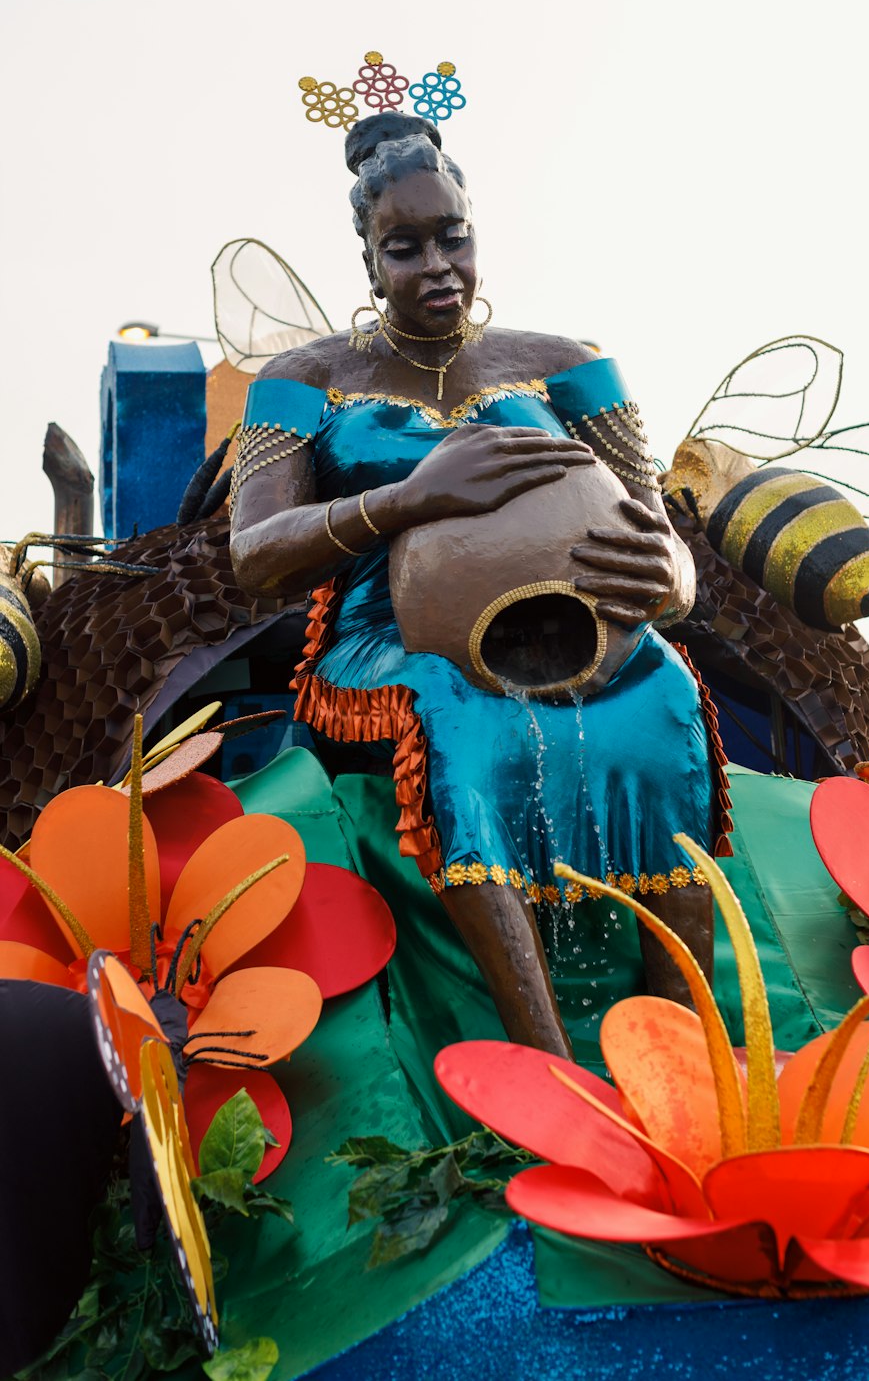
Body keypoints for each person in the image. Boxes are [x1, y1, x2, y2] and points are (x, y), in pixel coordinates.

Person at [229, 112, 718, 1060]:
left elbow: (662, 535)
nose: (437, 265)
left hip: (582, 628)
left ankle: (686, 1055)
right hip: (391, 645)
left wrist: (675, 580)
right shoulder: (304, 379)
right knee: (453, 709)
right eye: (404, 247)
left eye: (454, 236)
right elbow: (254, 553)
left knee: (663, 685)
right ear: (368, 262)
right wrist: (406, 501)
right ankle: (546, 1069)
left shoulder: (566, 364)